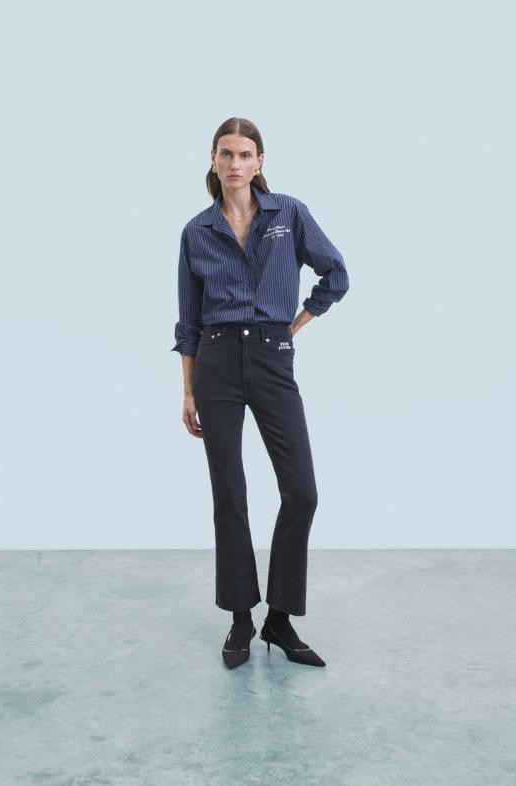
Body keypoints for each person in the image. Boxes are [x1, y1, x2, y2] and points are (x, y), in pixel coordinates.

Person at [171, 117, 350, 669]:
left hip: (272, 357)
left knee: (302, 491)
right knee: (230, 493)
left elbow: (336, 274)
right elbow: (188, 321)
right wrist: (188, 392)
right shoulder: (196, 231)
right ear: (213, 160)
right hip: (216, 361)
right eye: (226, 154)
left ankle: (280, 619)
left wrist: (296, 324)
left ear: (260, 162)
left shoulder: (288, 215)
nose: (235, 164)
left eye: (245, 154)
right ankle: (240, 618)